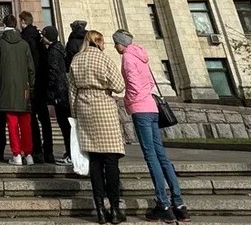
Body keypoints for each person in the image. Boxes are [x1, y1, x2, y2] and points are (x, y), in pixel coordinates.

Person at [114, 29, 188, 223]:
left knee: (151, 156)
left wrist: (128, 101)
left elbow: (133, 86)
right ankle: (179, 204)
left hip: (141, 109)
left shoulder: (128, 58)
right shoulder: (141, 56)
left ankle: (163, 204)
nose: (115, 47)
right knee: (161, 155)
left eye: (116, 43)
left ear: (121, 43)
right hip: (153, 107)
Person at [70, 30, 126, 224]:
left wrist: (76, 114)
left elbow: (72, 91)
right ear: (99, 41)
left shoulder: (76, 60)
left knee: (95, 161)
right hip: (104, 110)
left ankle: (100, 210)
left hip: (85, 111)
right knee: (111, 161)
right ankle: (115, 209)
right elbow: (119, 85)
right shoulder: (104, 59)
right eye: (103, 42)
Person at [0, 14, 35, 166]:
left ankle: (16, 154)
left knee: (12, 124)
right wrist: (30, 87)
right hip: (24, 90)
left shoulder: (0, 43)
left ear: (4, 25)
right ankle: (29, 154)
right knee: (25, 123)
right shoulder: (24, 44)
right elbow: (31, 68)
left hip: (6, 90)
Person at [19, 11, 51, 163]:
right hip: (42, 83)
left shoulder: (25, 38)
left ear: (23, 22)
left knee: (31, 119)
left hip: (31, 84)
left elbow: (27, 63)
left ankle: (36, 149)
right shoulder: (40, 37)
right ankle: (49, 151)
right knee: (44, 119)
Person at [42, 25, 74, 166]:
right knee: (66, 126)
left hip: (59, 93)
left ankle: (70, 155)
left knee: (65, 126)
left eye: (44, 36)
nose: (42, 38)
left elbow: (53, 72)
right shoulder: (61, 49)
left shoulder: (53, 52)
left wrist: (50, 92)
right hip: (64, 92)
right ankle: (70, 153)